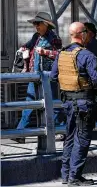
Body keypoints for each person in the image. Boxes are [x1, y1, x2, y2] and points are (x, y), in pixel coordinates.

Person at [50, 22, 97, 186]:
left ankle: (66, 175)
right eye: (87, 32)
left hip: (68, 102)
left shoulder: (62, 54)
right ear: (82, 34)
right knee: (82, 139)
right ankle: (74, 177)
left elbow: (54, 76)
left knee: (69, 138)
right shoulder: (87, 55)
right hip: (84, 103)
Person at [14, 12, 62, 144]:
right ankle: (20, 132)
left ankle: (59, 130)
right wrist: (23, 48)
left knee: (52, 102)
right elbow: (28, 45)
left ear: (46, 24)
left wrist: (44, 52)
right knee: (29, 102)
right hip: (35, 75)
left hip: (47, 75)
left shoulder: (54, 38)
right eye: (35, 24)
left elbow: (59, 54)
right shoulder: (36, 36)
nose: (36, 26)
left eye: (38, 23)